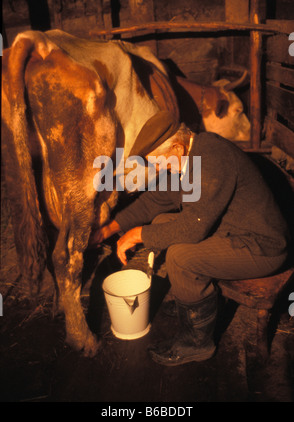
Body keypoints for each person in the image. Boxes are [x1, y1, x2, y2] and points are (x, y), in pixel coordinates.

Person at [90, 112, 289, 366]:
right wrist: (107, 231)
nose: (158, 169)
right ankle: (193, 307)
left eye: (159, 163)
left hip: (263, 246)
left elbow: (192, 230)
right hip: (233, 231)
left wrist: (137, 234)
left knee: (181, 258)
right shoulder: (189, 157)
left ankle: (197, 344)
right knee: (162, 223)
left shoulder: (211, 159)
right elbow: (154, 202)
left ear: (176, 147)